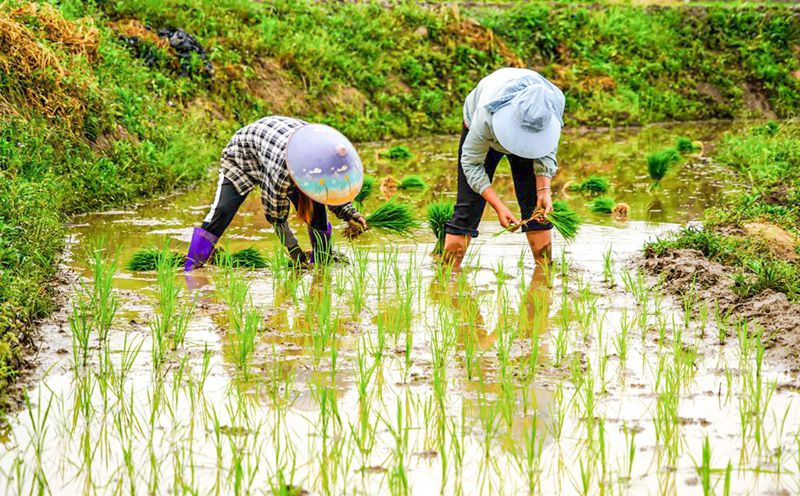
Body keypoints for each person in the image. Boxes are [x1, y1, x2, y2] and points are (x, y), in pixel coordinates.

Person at [184, 116, 368, 271]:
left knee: (317, 215)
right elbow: (276, 215)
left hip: (276, 148)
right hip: (243, 156)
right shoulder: (283, 171)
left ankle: (321, 267)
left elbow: (328, 190)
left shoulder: (325, 155)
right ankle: (191, 267)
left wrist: (349, 212)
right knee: (222, 211)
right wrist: (294, 250)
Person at [443, 68, 565, 270]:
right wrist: (498, 206)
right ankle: (447, 276)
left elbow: (548, 148)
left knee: (537, 210)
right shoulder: (485, 115)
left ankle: (544, 276)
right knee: (468, 208)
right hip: (488, 130)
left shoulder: (551, 106)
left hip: (526, 123)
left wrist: (544, 189)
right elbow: (471, 164)